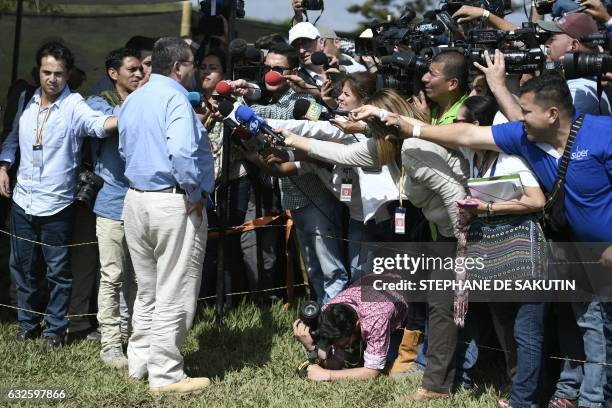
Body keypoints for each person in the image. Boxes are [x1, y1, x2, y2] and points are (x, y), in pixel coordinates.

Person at [362, 72, 611, 408]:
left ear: (552, 114)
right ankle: (582, 397)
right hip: (576, 252)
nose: (517, 118)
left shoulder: (603, 133)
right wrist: (409, 126)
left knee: (599, 334)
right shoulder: (525, 136)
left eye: (526, 112)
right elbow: (466, 132)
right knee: (587, 330)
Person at [0, 41, 118, 351]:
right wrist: (4, 165)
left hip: (57, 203)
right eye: (46, 72)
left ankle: (54, 330)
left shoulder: (74, 105)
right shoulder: (26, 98)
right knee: (21, 267)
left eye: (59, 74)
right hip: (22, 198)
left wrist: (125, 118)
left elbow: (97, 124)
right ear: (37, 71)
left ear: (69, 75)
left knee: (57, 271)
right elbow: (12, 139)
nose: (52, 79)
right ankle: (27, 326)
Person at [118, 37, 214, 394]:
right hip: (173, 201)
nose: (196, 71)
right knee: (173, 289)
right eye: (192, 64)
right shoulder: (175, 98)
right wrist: (194, 192)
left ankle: (138, 363)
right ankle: (166, 374)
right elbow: (182, 153)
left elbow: (125, 148)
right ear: (177, 67)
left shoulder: (134, 98)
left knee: (147, 289)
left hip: (135, 199)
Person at [85, 47, 142, 368]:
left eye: (140, 70)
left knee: (139, 276)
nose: (138, 74)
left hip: (142, 200)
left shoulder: (142, 99)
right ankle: (110, 342)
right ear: (113, 73)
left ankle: (135, 335)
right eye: (131, 69)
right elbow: (104, 124)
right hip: (110, 201)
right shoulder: (100, 102)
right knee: (112, 275)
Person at [292, 275, 409, 381]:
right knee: (348, 355)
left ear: (357, 325)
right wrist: (311, 347)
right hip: (376, 286)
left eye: (337, 342)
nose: (334, 346)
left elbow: (372, 372)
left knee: (387, 364)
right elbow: (336, 360)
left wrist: (327, 375)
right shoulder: (329, 309)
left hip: (404, 300)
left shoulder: (375, 321)